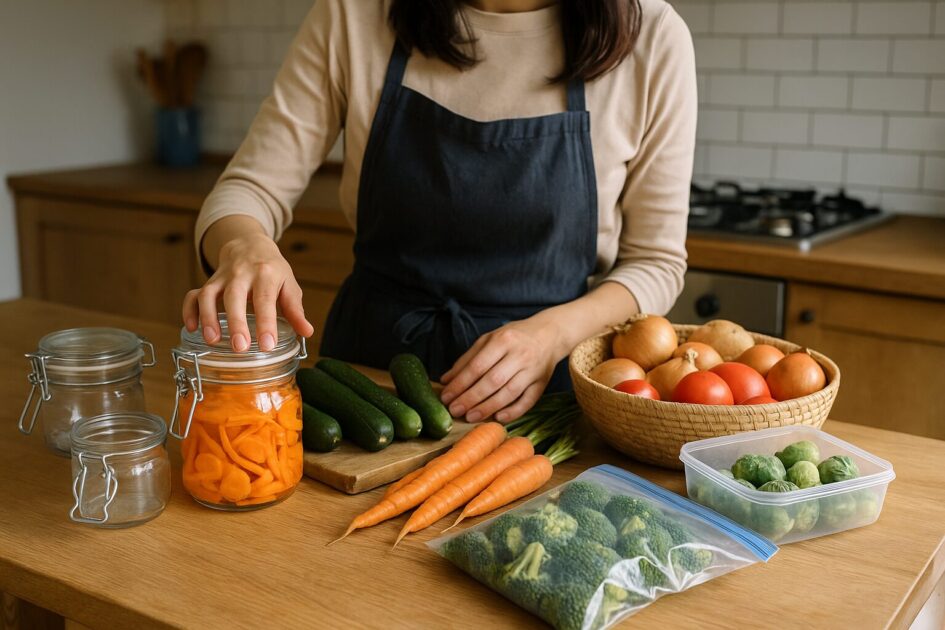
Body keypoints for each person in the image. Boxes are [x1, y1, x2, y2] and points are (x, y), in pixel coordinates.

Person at [183, 0, 695, 424]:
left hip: (547, 401)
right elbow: (247, 190)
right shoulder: (355, 14)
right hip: (366, 390)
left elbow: (656, 262)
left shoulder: (652, 38)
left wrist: (552, 335)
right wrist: (243, 244)